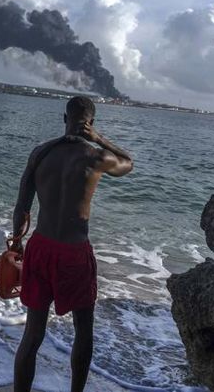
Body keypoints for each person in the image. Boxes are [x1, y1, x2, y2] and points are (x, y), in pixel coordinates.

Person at [11, 96, 133, 392]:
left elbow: (22, 206)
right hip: (74, 253)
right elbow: (128, 164)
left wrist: (17, 243)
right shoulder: (96, 156)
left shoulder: (40, 153)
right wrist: (99, 138)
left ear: (64, 118)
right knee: (83, 330)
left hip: (40, 247)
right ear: (91, 122)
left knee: (32, 334)